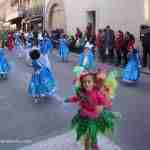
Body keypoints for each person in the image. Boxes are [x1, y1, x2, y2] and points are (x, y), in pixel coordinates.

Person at [65, 71, 120, 150]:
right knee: (87, 137)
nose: (87, 84)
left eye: (89, 82)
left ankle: (94, 147)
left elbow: (105, 102)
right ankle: (87, 147)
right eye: (84, 82)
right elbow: (76, 98)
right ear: (82, 84)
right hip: (84, 118)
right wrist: (69, 99)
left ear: (93, 82)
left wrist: (103, 105)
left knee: (93, 135)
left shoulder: (97, 93)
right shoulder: (82, 93)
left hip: (94, 119)